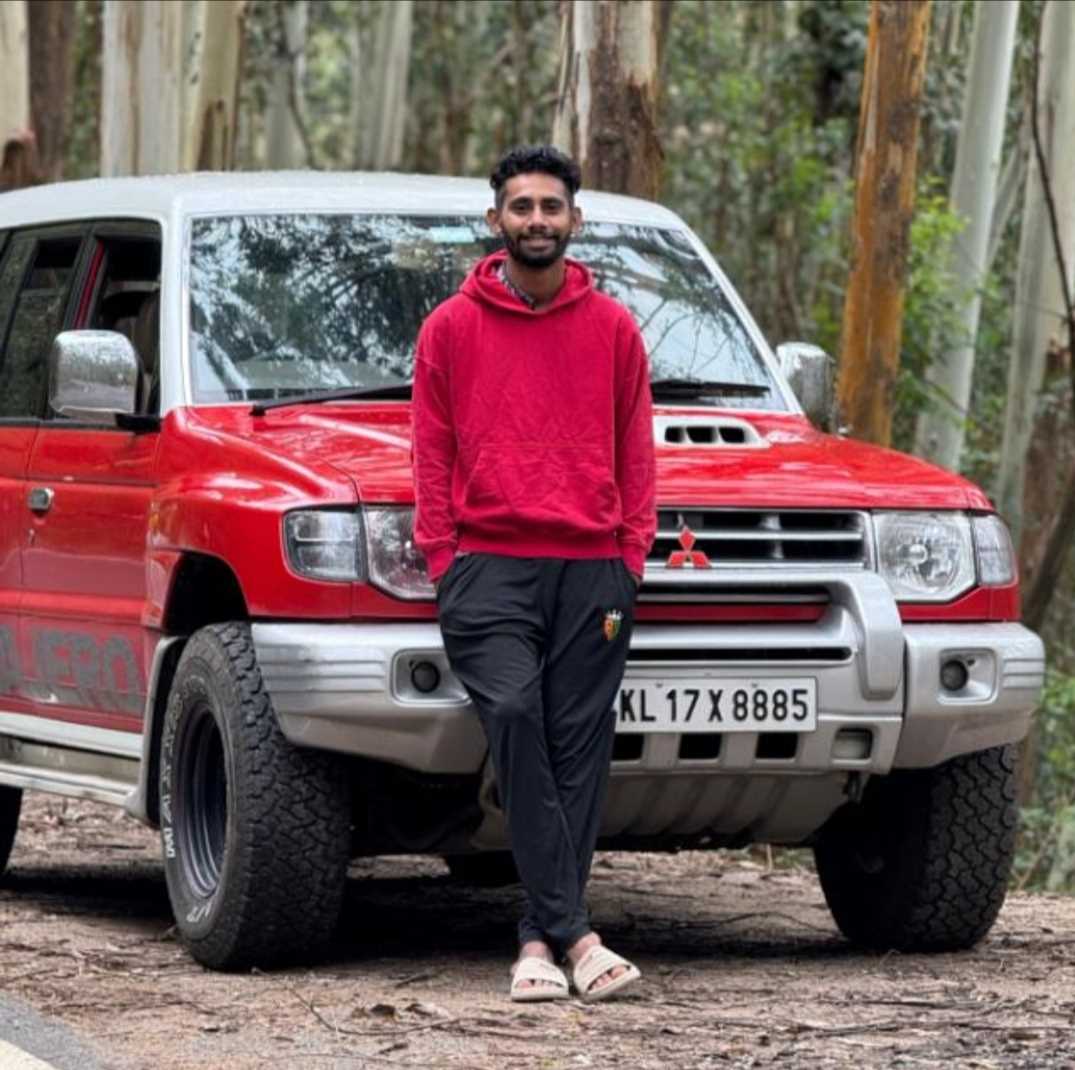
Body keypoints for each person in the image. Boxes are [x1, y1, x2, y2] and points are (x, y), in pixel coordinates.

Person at [411, 145, 656, 1002]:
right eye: (522, 207)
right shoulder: (450, 328)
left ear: (574, 220)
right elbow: (430, 451)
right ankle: (580, 936)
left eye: (551, 207)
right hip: (487, 567)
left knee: (576, 750)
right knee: (515, 717)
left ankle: (537, 944)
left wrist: (629, 557)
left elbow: (636, 451)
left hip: (594, 571)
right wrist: (444, 559)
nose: (537, 220)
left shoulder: (614, 329)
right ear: (496, 221)